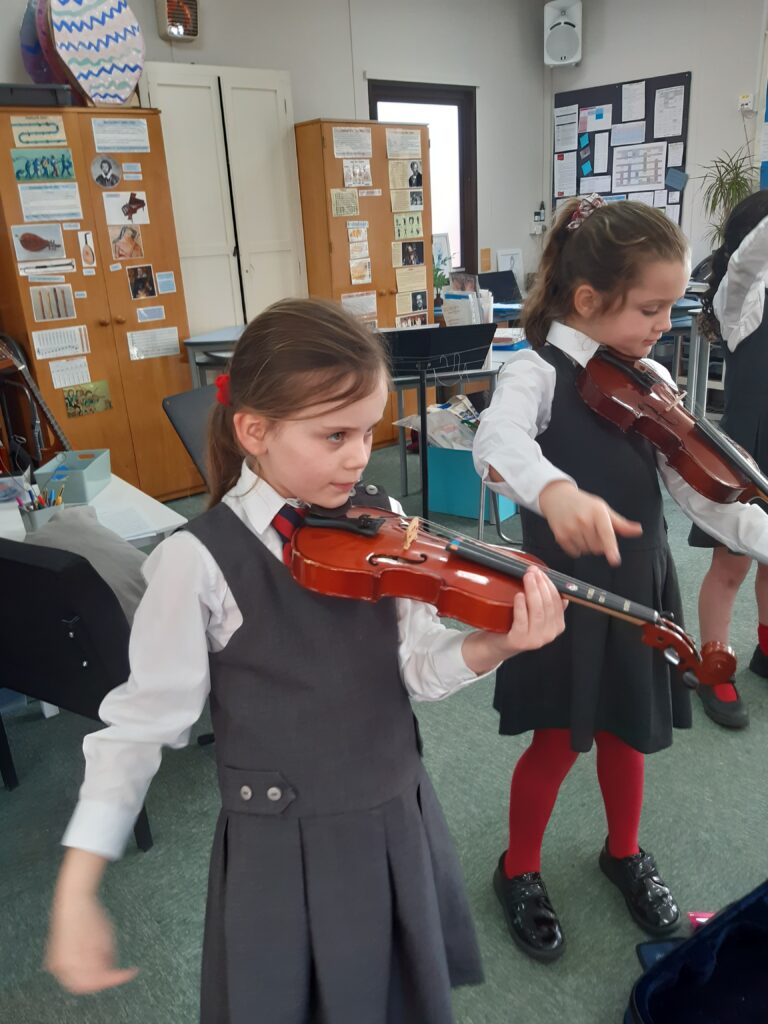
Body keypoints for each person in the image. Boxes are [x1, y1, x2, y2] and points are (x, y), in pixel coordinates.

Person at [46, 298, 567, 1023]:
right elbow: (136, 731)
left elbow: (415, 668)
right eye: (334, 435)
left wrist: (498, 643)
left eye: (368, 431)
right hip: (284, 850)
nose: (360, 456)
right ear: (254, 430)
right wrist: (78, 884)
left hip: (395, 815)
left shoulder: (380, 522)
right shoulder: (194, 562)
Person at [473, 195, 768, 964]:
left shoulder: (644, 379)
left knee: (628, 733)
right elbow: (497, 445)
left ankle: (623, 852)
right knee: (554, 742)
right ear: (587, 299)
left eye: (672, 307)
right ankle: (519, 868)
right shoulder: (534, 371)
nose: (665, 324)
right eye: (651, 307)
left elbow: (702, 488)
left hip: (640, 592)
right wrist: (555, 491)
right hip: (561, 599)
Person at [687, 191, 768, 728]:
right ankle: (713, 666)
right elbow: (746, 263)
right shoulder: (740, 300)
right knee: (732, 565)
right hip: (746, 453)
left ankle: (765, 646)